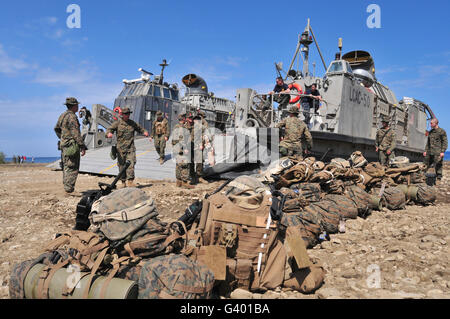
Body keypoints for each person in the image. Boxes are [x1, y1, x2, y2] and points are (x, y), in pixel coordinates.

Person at [106, 107, 149, 188]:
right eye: (126, 114)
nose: (127, 115)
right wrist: (109, 134)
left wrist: (144, 132)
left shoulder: (132, 123)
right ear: (122, 115)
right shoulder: (117, 123)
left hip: (130, 148)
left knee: (131, 164)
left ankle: (130, 181)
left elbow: (140, 128)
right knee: (121, 166)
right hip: (120, 149)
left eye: (128, 114)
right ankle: (123, 182)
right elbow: (109, 129)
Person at [54, 97, 87, 195]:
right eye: (77, 105)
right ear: (74, 106)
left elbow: (56, 128)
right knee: (72, 167)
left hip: (64, 145)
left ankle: (67, 188)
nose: (78, 107)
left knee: (66, 166)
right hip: (72, 146)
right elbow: (76, 133)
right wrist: (82, 145)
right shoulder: (72, 117)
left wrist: (63, 138)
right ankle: (69, 190)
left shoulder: (62, 115)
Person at [172, 113, 194, 189]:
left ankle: (178, 182)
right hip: (182, 150)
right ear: (183, 119)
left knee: (178, 165)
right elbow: (182, 139)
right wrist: (185, 148)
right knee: (185, 165)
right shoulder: (182, 127)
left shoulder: (176, 126)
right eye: (185, 118)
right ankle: (185, 183)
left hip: (177, 149)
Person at [423, 118, 447, 182]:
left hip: (438, 152)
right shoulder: (430, 132)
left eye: (431, 123)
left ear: (435, 123)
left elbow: (445, 142)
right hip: (430, 151)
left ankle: (439, 178)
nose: (430, 124)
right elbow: (428, 142)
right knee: (426, 163)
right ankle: (422, 175)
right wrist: (425, 150)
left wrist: (442, 151)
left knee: (438, 165)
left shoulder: (441, 131)